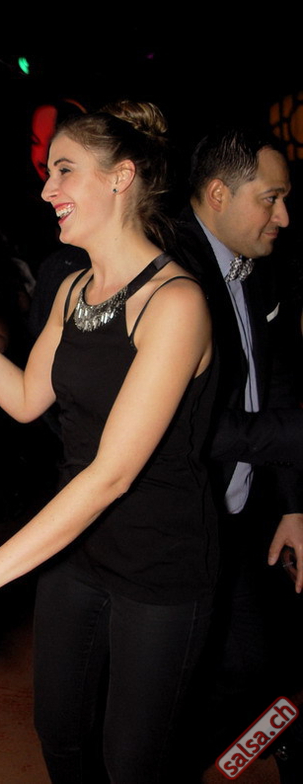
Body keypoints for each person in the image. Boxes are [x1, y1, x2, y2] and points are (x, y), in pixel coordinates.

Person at [0, 101, 218, 783]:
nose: (47, 189)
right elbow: (26, 401)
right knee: (60, 733)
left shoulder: (176, 303)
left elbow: (111, 475)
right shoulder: (75, 288)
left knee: (133, 763)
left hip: (159, 565)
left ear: (121, 177)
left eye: (64, 170)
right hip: (77, 553)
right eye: (48, 172)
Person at [174, 127, 303, 769]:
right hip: (178, 521)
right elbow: (186, 426)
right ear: (220, 193)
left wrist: (294, 503)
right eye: (271, 198)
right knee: (176, 683)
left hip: (243, 510)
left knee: (257, 665)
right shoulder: (171, 273)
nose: (284, 216)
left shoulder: (253, 263)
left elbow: (273, 378)